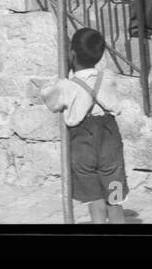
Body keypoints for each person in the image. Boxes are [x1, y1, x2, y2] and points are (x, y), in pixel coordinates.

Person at [41, 28, 128, 224]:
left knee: (93, 197)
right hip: (110, 138)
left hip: (82, 142)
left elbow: (48, 97)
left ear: (72, 55)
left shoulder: (66, 86)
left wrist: (65, 73)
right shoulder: (108, 77)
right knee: (115, 196)